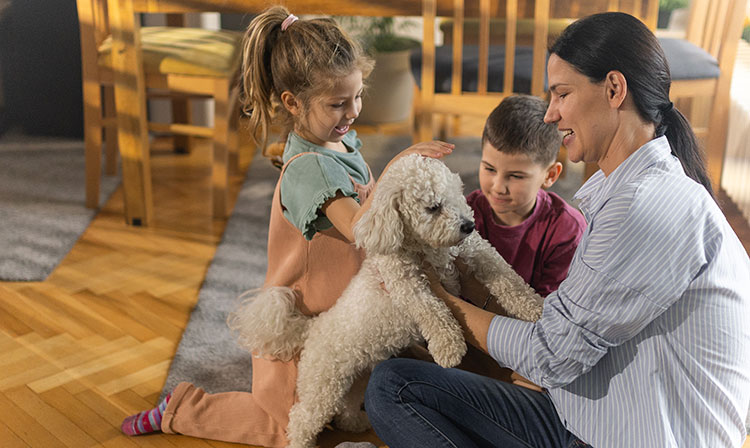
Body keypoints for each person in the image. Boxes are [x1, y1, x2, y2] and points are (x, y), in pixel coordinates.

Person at [365, 11, 750, 448]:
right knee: (394, 383)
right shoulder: (625, 192)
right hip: (586, 416)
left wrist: (439, 299)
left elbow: (552, 354)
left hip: (621, 435)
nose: (550, 114)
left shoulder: (648, 206)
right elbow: (567, 330)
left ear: (613, 89)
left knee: (396, 388)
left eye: (561, 94)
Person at [119, 7, 452, 447]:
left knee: (353, 399)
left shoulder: (340, 141)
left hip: (342, 319)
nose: (352, 111)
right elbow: (359, 229)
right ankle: (179, 411)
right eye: (337, 103)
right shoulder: (309, 169)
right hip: (301, 329)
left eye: (356, 96)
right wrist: (397, 169)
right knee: (284, 426)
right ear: (293, 102)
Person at [467, 94, 586, 298]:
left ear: (550, 176)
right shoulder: (466, 212)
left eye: (515, 176)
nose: (498, 187)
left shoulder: (568, 232)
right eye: (489, 169)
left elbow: (546, 316)